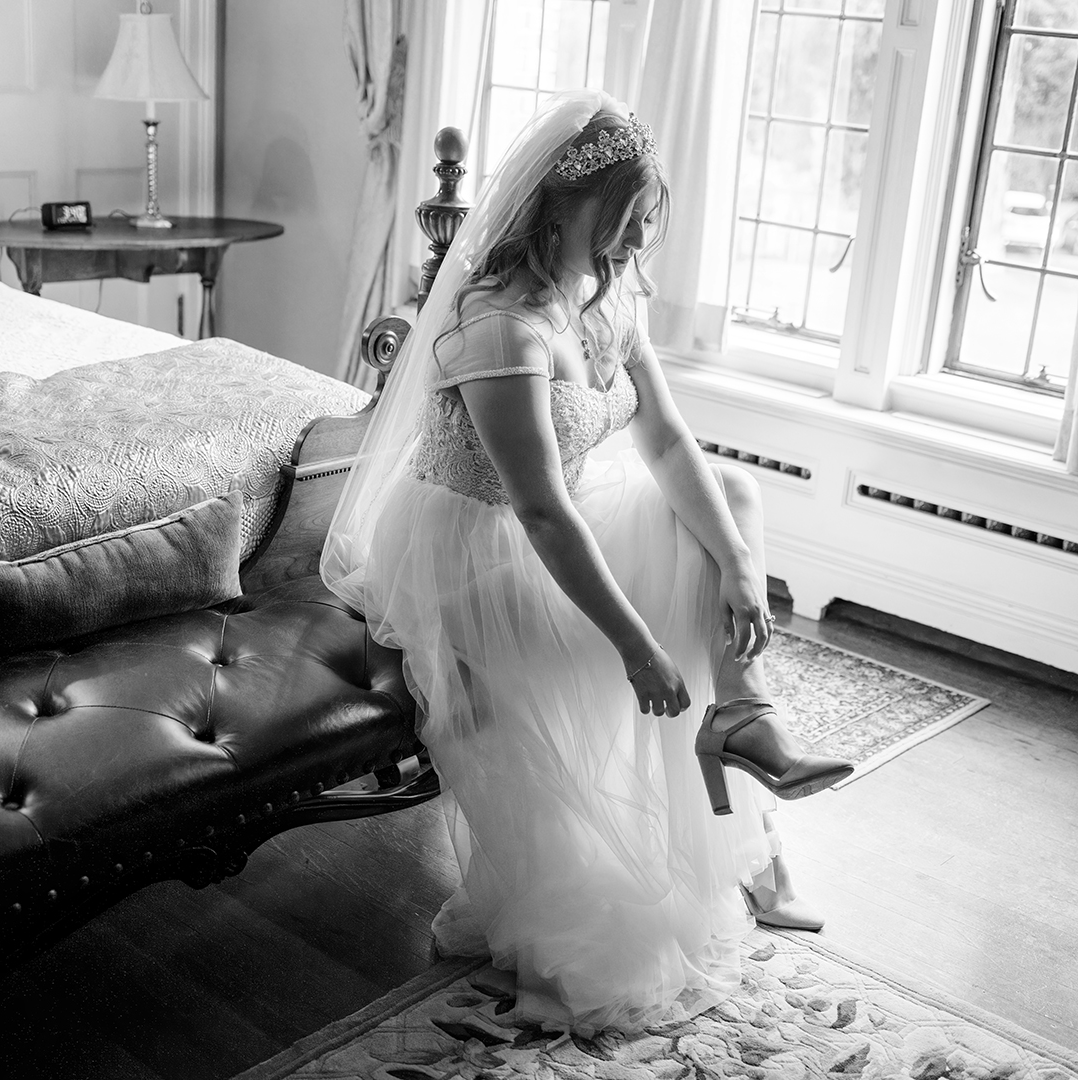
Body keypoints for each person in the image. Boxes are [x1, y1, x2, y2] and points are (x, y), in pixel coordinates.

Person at [321, 89, 853, 1035]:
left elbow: (669, 443)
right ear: (559, 208)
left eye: (645, 222)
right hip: (478, 551)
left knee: (724, 506)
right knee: (664, 619)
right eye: (624, 220)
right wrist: (635, 644)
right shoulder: (498, 327)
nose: (636, 243)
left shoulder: (606, 293)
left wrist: (738, 566)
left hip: (559, 516)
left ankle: (741, 713)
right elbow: (540, 511)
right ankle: (737, 817)